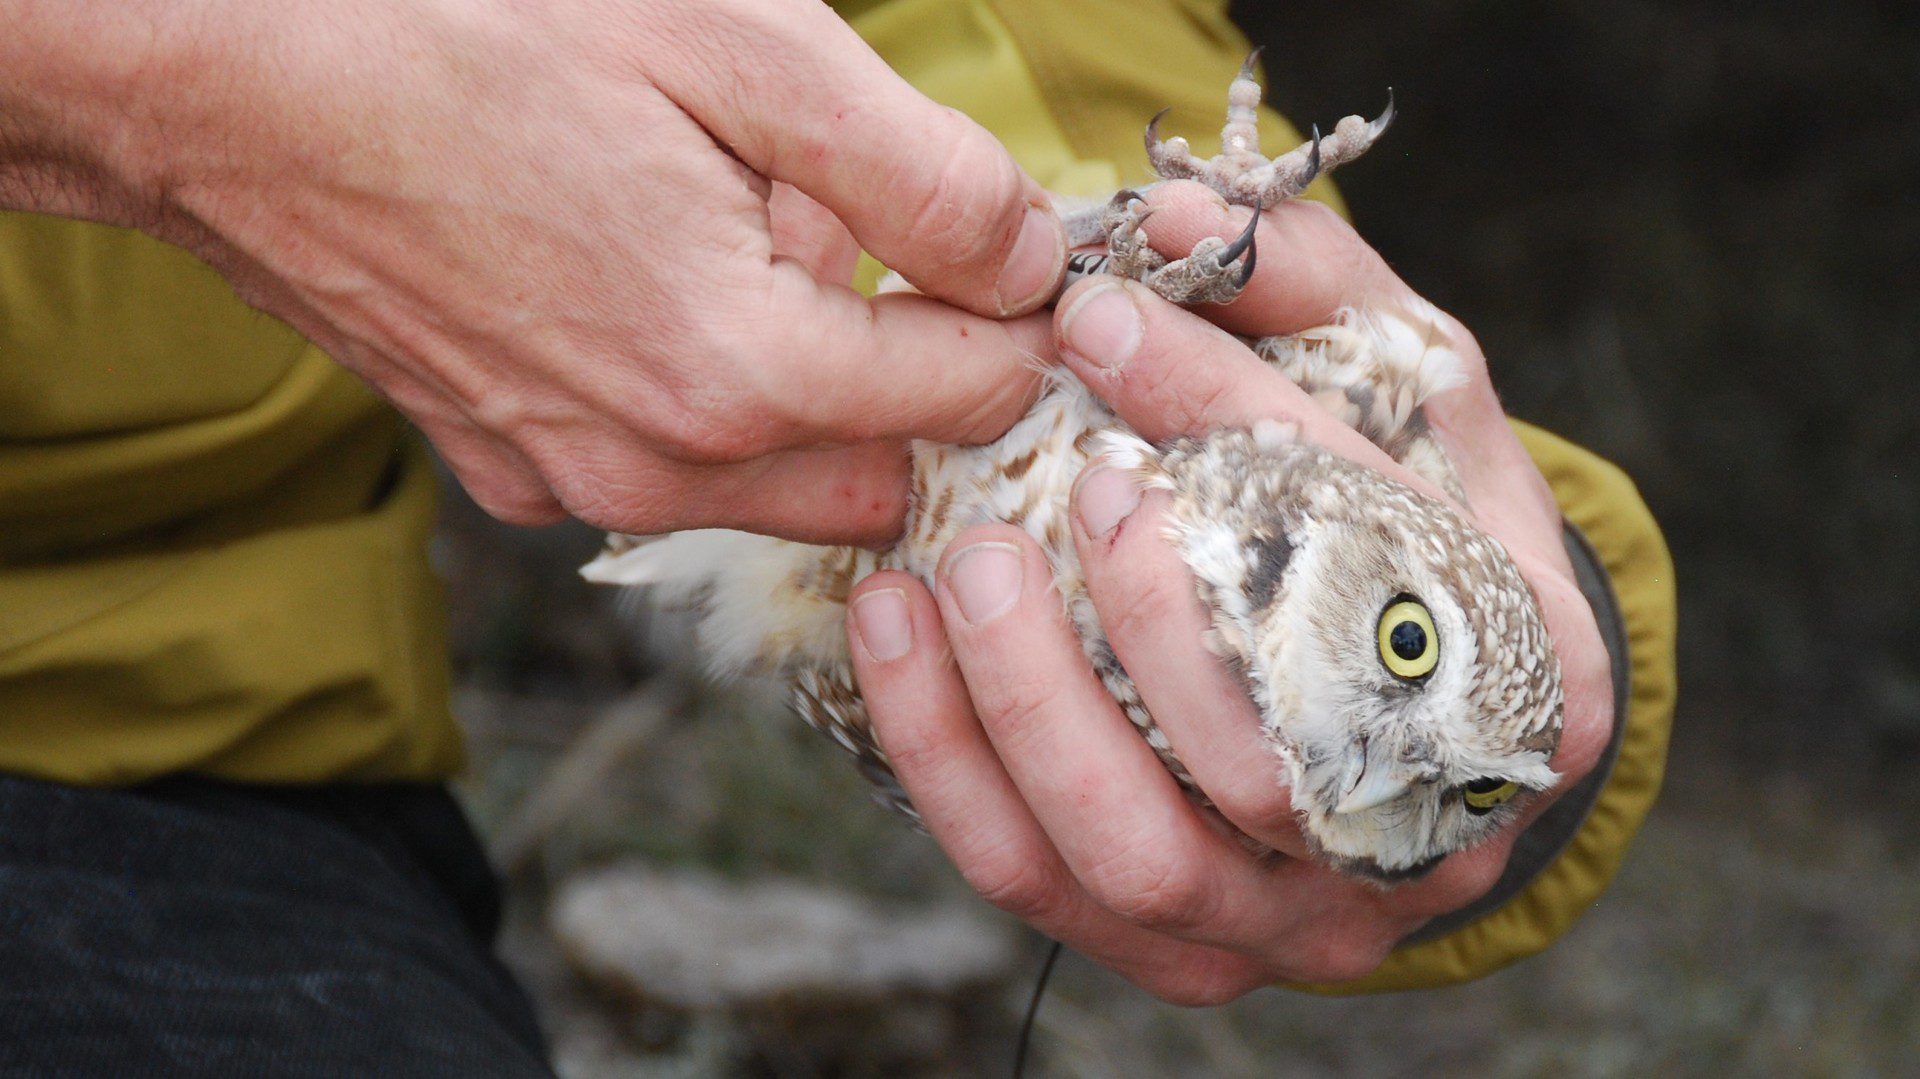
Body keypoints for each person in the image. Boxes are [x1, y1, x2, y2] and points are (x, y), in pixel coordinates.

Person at [0, 0, 1676, 1071]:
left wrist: (1513, 747)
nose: (1391, 757)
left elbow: (999, 52)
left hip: (165, 732)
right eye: (1406, 653)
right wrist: (182, 94)